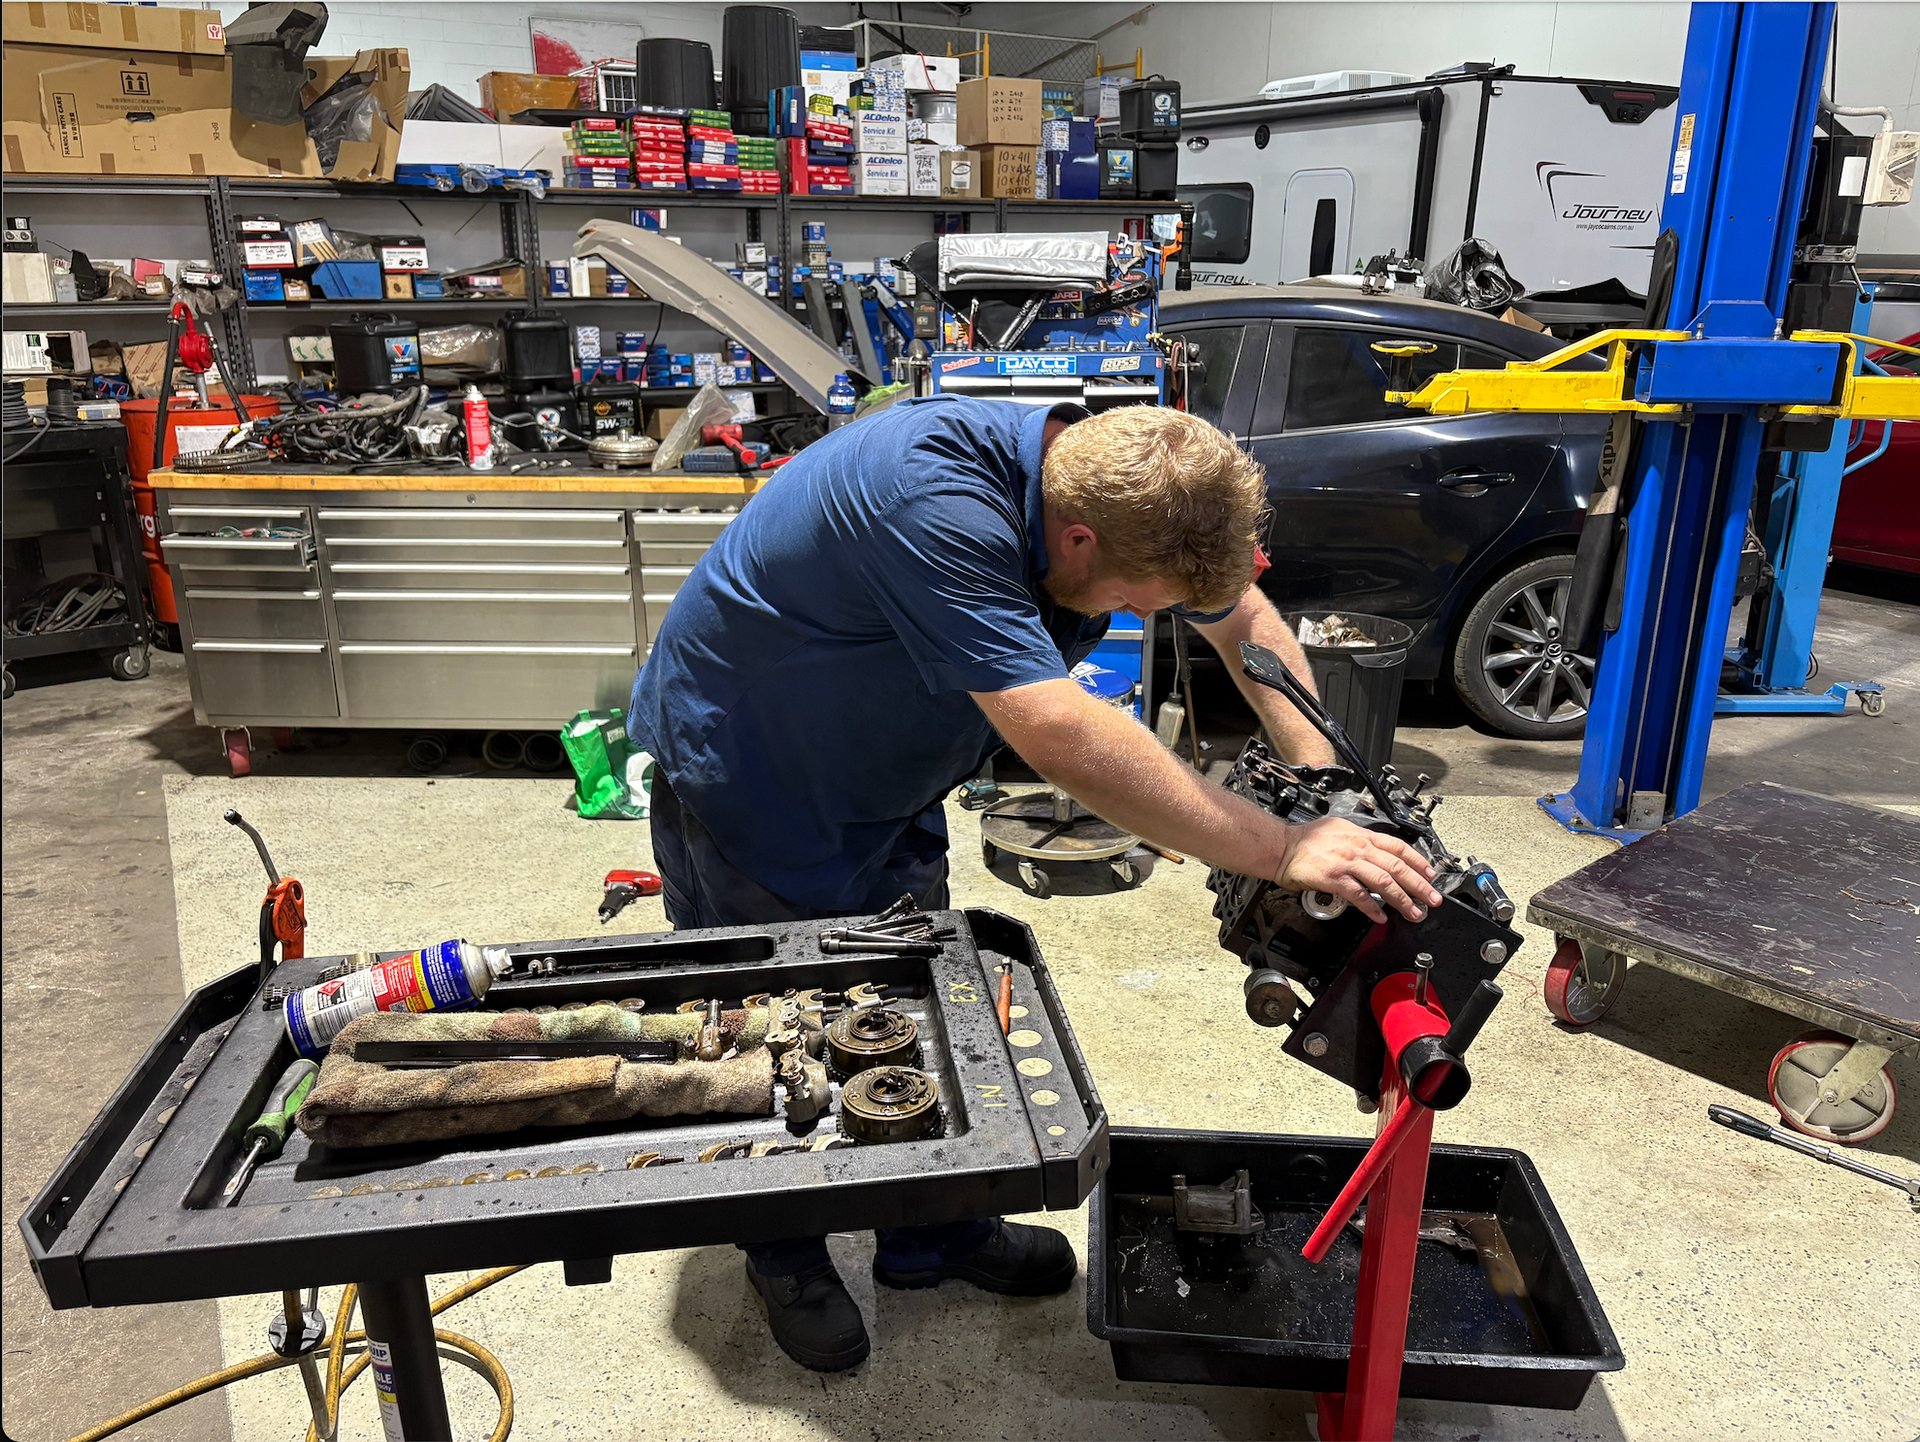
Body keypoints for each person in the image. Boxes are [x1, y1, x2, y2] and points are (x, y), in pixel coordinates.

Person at [627, 397, 1440, 1373]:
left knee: (911, 1003)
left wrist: (1326, 793)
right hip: (750, 774)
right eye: (1140, 601)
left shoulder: (1120, 485)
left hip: (884, 769)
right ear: (1080, 538)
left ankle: (929, 1230)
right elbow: (1059, 734)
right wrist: (1279, 848)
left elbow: (1248, 623)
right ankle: (786, 1248)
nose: (1146, 618)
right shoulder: (931, 500)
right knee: (773, 1028)